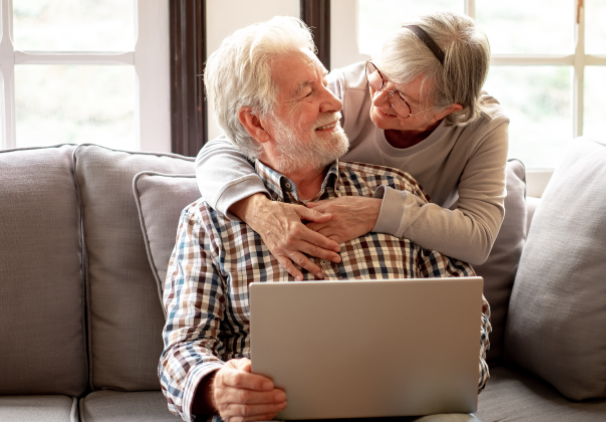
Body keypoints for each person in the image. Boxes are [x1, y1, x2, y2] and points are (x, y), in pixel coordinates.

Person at [159, 17, 491, 422]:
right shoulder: (206, 222)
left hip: (403, 410)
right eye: (307, 92)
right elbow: (181, 349)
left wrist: (455, 368)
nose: (336, 103)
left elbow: (466, 306)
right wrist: (215, 386)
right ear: (256, 122)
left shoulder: (397, 190)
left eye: (325, 83)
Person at [195, 11, 509, 281]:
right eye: (380, 76)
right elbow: (227, 145)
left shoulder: (484, 126)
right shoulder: (345, 88)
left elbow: (478, 238)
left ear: (448, 110)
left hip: (405, 254)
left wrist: (376, 212)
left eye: (403, 99)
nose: (380, 98)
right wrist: (259, 211)